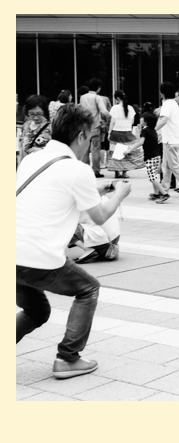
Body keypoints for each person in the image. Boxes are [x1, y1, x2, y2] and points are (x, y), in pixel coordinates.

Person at [16, 104, 131, 379]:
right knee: (88, 289)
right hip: (37, 257)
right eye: (89, 137)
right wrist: (120, 193)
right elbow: (100, 216)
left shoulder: (31, 159)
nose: (89, 142)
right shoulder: (77, 169)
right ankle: (68, 358)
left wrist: (95, 188)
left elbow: (56, 193)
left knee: (37, 310)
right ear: (81, 136)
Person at [79, 78, 111, 178]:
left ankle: (85, 170)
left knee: (85, 150)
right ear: (98, 88)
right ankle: (95, 171)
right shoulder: (97, 97)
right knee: (95, 150)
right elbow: (104, 111)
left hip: (84, 127)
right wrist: (110, 118)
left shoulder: (83, 97)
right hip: (95, 127)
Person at [107, 90, 138, 178]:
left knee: (115, 152)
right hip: (127, 132)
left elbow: (112, 122)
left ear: (117, 98)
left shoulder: (115, 108)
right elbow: (132, 121)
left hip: (116, 133)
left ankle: (117, 172)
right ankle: (124, 172)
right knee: (125, 153)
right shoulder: (130, 108)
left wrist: (109, 132)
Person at [141, 112, 169, 203]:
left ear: (146, 121)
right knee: (154, 177)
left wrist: (130, 149)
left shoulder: (144, 131)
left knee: (152, 178)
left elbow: (141, 142)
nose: (140, 119)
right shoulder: (153, 130)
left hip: (150, 157)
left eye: (142, 118)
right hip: (156, 156)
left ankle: (164, 194)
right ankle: (156, 194)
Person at [19, 95, 52, 163]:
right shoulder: (26, 125)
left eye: (39, 114)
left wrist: (42, 150)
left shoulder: (50, 128)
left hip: (42, 165)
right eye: (32, 114)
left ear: (44, 111)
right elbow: (21, 148)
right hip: (26, 165)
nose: (35, 118)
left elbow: (56, 150)